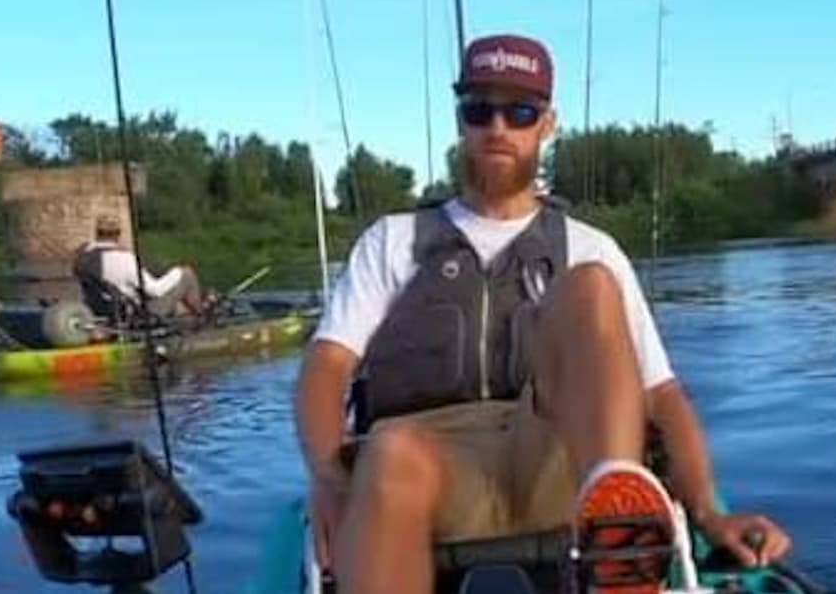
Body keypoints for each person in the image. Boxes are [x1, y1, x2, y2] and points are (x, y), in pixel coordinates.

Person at [293, 33, 792, 594]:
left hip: (553, 461)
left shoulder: (591, 247)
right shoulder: (391, 242)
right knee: (388, 454)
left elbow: (663, 393)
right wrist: (329, 478)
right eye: (479, 110)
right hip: (428, 469)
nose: (498, 128)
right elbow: (326, 366)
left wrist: (707, 511)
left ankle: (617, 530)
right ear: (460, 121)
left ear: (547, 124)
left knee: (591, 288)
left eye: (520, 112)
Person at [74, 215, 217, 319]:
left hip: (104, 309)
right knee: (187, 274)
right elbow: (155, 290)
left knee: (176, 304)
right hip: (138, 313)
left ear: (97, 232)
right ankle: (202, 315)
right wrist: (176, 273)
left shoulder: (83, 258)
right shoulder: (124, 259)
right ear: (118, 234)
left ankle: (187, 317)